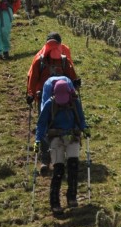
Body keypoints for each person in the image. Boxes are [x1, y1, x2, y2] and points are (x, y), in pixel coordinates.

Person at [26, 33, 81, 173]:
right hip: (55, 99)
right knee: (59, 123)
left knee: (44, 124)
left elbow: (32, 79)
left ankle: (52, 158)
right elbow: (72, 77)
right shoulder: (52, 60)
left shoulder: (43, 60)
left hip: (48, 98)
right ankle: (49, 158)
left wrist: (31, 94)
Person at [34, 76, 88, 214]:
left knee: (73, 165)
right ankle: (54, 202)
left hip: (72, 136)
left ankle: (72, 197)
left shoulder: (75, 102)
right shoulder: (49, 105)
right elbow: (41, 124)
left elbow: (81, 118)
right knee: (58, 169)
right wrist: (38, 140)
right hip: (56, 137)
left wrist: (85, 128)